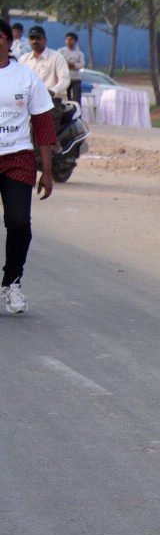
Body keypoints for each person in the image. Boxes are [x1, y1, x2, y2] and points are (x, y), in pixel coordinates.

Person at [0, 19, 56, 314]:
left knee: (19, 223)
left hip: (18, 157)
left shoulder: (26, 77)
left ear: (9, 41)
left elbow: (43, 125)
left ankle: (12, 283)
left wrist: (46, 172)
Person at [19, 25, 70, 102]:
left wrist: (52, 91)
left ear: (45, 40)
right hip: (28, 101)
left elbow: (65, 79)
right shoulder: (24, 59)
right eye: (32, 39)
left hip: (52, 101)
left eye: (38, 39)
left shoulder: (56, 57)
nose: (34, 41)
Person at [58, 32, 86, 105]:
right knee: (65, 99)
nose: (68, 41)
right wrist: (67, 64)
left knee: (76, 99)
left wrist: (72, 65)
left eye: (71, 39)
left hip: (76, 79)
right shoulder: (61, 51)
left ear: (75, 41)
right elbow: (59, 62)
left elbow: (82, 64)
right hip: (64, 79)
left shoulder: (79, 53)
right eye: (67, 39)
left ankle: (77, 114)